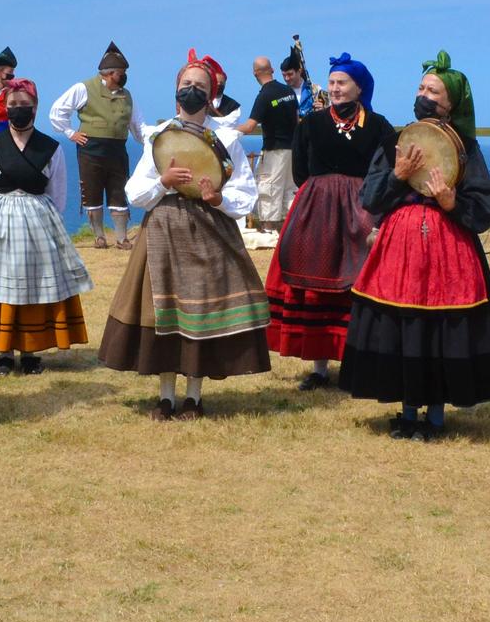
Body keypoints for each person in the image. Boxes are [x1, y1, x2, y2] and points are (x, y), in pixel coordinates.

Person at [341, 50, 490, 439]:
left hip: (449, 248)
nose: (424, 95)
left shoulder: (465, 147)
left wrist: (452, 203)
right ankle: (407, 410)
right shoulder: (395, 141)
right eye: (421, 88)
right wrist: (398, 176)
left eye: (433, 91)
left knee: (440, 326)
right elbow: (370, 197)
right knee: (402, 324)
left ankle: (435, 415)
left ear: (451, 104)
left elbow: (483, 208)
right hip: (399, 246)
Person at [100, 53, 268, 420]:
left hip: (209, 229)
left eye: (200, 87)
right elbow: (134, 191)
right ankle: (165, 396)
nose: (192, 91)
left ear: (212, 94)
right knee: (165, 314)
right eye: (186, 86)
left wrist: (218, 197)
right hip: (163, 228)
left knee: (201, 313)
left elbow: (246, 193)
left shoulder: (226, 138)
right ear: (176, 91)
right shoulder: (160, 136)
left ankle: (193, 396)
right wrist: (163, 182)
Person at [264, 53, 389, 389]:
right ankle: (319, 368)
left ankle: (355, 361)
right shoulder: (311, 124)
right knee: (316, 285)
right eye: (332, 82)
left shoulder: (378, 126)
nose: (334, 88)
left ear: (359, 88)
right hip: (316, 207)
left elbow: (388, 169)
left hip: (362, 208)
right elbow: (300, 169)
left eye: (342, 83)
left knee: (356, 283)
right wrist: (321, 191)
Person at [0, 78, 92, 375]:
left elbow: (58, 193)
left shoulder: (51, 148)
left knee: (34, 284)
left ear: (35, 107)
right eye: (12, 105)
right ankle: (2, 351)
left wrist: (46, 222)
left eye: (24, 104)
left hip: (38, 217)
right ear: (4, 107)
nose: (18, 109)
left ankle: (29, 351)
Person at [48, 42, 144, 250]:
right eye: (121, 72)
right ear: (109, 74)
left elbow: (138, 126)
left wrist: (153, 141)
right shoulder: (83, 88)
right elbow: (58, 110)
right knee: (92, 192)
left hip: (118, 151)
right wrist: (70, 133)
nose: (124, 76)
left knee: (119, 191)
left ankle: (122, 238)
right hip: (90, 150)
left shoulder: (128, 96)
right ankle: (99, 237)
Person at [234, 54, 303, 232]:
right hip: (293, 149)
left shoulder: (265, 96)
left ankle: (269, 230)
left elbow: (249, 127)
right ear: (272, 70)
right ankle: (294, 231)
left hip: (274, 151)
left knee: (268, 188)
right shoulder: (288, 92)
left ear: (255, 73)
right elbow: (296, 120)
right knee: (290, 190)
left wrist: (227, 130)